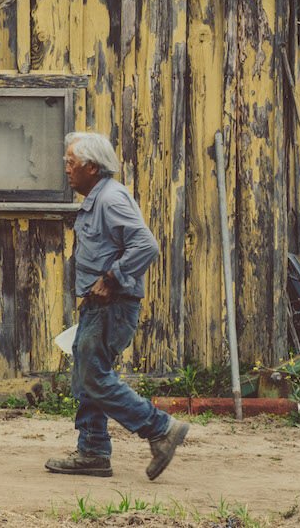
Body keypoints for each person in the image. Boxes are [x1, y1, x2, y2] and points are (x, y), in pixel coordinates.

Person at [45, 131, 189, 481]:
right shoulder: (98, 197)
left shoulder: (111, 198)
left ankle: (160, 429)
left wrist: (112, 279)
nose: (66, 168)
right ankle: (93, 452)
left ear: (91, 167)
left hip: (113, 304)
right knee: (86, 373)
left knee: (93, 376)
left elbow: (146, 245)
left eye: (71, 162)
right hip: (99, 305)